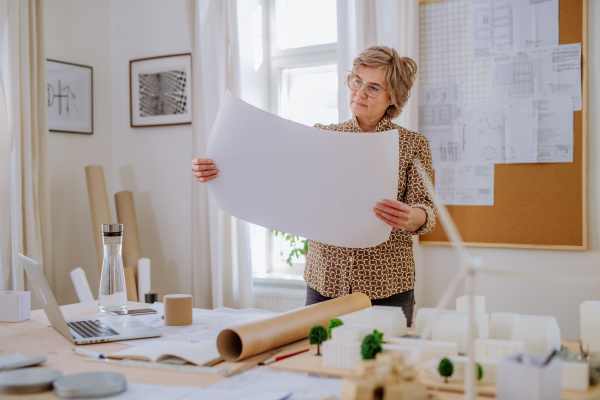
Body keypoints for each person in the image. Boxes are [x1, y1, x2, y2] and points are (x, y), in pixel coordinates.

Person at [191, 46, 436, 326]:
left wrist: (409, 217)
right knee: (315, 362)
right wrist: (217, 171)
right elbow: (275, 178)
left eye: (372, 88)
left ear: (392, 96)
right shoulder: (323, 135)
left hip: (387, 286)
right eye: (356, 81)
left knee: (383, 367)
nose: (358, 93)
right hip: (325, 283)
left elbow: (426, 211)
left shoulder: (413, 144)